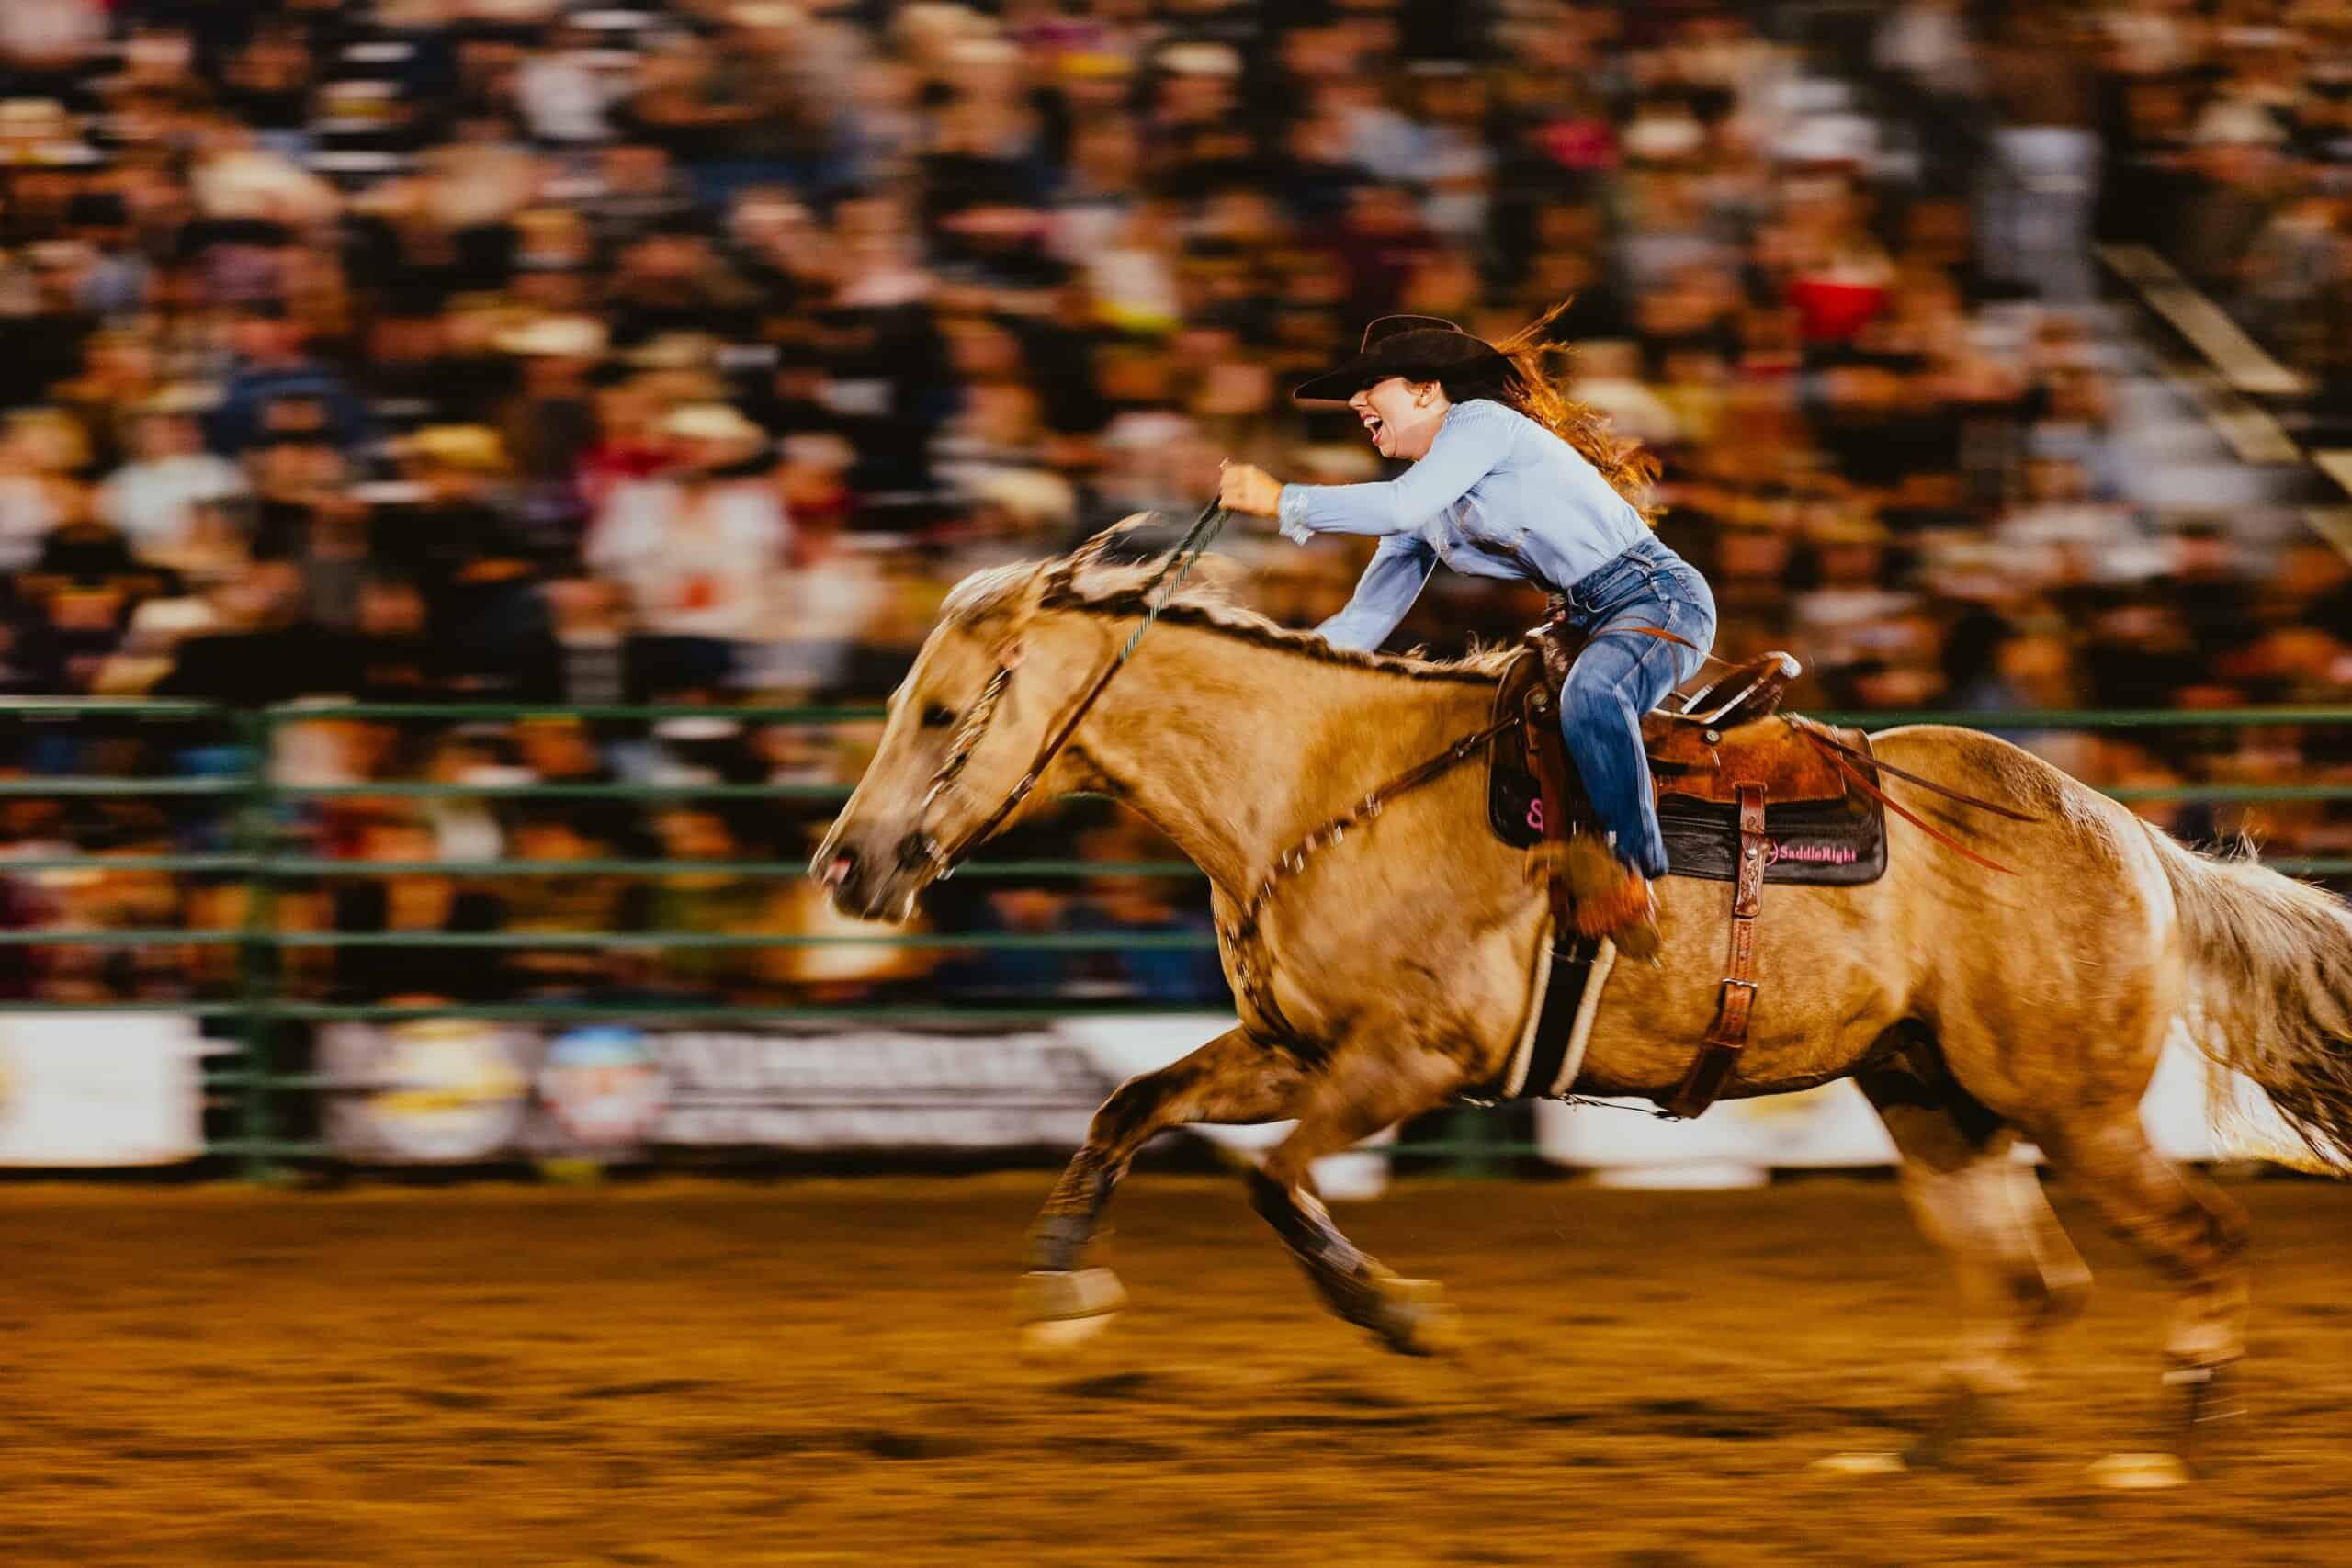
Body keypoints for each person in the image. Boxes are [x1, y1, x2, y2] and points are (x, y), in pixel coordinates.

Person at [1217, 311, 1717, 954]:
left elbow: (1395, 507)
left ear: (1428, 389)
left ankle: (1634, 871)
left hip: (1657, 597)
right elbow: (1365, 619)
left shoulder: (1481, 426)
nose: (1355, 402)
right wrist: (1290, 672)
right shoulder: (1425, 499)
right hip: (1591, 613)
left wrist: (1284, 499)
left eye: (1372, 385)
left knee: (1594, 696)